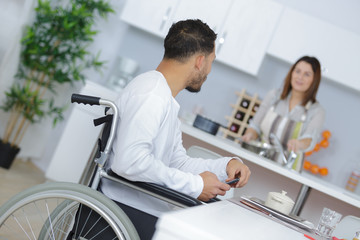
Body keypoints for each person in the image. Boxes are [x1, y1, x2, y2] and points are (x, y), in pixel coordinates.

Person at [100, 19, 251, 239]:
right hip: (127, 211)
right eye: (211, 62)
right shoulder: (151, 95)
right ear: (200, 61)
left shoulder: (162, 95)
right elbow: (130, 162)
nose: (210, 70)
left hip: (143, 207)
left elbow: (177, 162)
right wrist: (196, 185)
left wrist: (226, 165)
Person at [242, 56, 325, 171]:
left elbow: (309, 140)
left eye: (307, 74)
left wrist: (299, 144)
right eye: (297, 71)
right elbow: (255, 126)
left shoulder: (316, 111)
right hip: (258, 161)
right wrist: (250, 135)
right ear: (292, 72)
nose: (300, 77)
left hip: (287, 171)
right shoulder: (273, 96)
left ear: (314, 80)